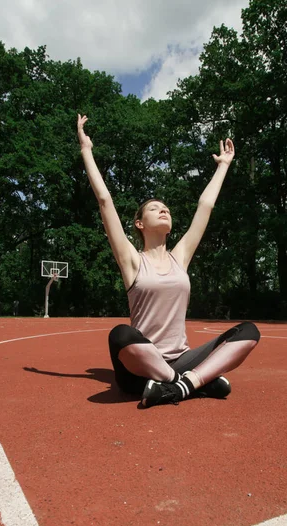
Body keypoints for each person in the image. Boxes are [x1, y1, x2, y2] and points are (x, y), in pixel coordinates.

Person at [77, 114, 260, 408]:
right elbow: (104, 200)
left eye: (166, 209)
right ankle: (194, 382)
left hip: (182, 358)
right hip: (142, 368)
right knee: (120, 335)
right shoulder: (131, 260)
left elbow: (206, 206)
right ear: (139, 223)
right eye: (154, 208)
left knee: (248, 332)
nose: (163, 210)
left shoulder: (180, 257)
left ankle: (180, 386)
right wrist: (86, 150)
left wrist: (223, 165)